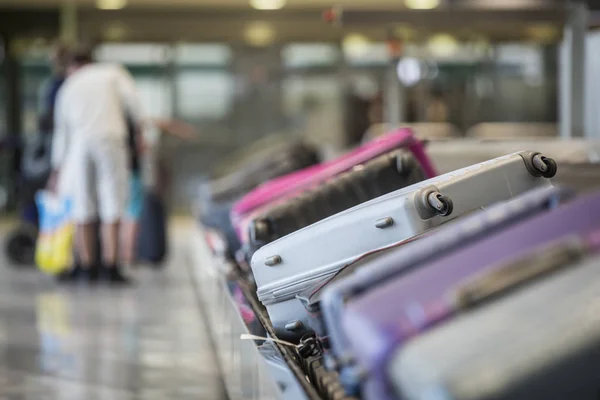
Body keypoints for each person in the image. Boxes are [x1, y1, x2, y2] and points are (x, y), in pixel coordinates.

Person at [49, 45, 144, 285]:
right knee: (112, 202)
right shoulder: (112, 73)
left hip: (79, 144)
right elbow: (134, 105)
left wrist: (57, 169)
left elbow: (62, 132)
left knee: (83, 204)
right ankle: (110, 267)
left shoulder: (68, 84)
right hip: (110, 138)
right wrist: (142, 134)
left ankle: (86, 266)